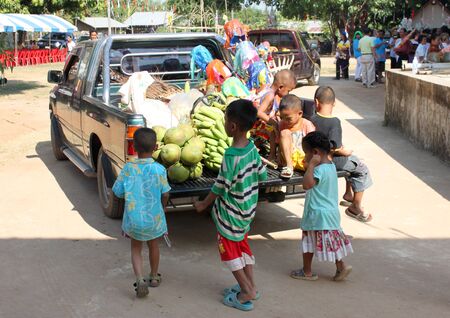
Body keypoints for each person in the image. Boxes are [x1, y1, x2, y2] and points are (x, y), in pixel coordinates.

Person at [194, 99, 267, 312]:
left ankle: (246, 292)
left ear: (232, 126)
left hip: (230, 214)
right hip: (247, 211)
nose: (224, 124)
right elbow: (262, 174)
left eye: (225, 120)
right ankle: (251, 285)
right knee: (242, 246)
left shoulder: (230, 156)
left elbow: (219, 186)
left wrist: (203, 204)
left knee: (230, 252)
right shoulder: (252, 148)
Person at [112, 128, 171, 298]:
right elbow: (166, 193)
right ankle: (153, 276)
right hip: (155, 219)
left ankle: (139, 279)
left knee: (136, 249)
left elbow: (117, 192)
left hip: (134, 219)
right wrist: (163, 207)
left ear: (134, 147)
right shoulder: (160, 169)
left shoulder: (128, 168)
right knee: (154, 246)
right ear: (156, 147)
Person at [290, 131, 353, 281]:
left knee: (308, 242)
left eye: (306, 153)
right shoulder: (330, 166)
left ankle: (307, 271)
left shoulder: (318, 170)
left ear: (316, 153)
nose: (305, 157)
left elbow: (306, 185)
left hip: (317, 214)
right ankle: (340, 266)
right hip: (329, 213)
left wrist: (310, 166)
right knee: (330, 240)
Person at [310, 86, 373, 222]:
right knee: (360, 167)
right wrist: (343, 151)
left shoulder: (312, 119)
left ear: (316, 102)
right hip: (330, 160)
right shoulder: (334, 122)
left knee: (352, 160)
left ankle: (348, 194)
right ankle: (355, 206)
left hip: (315, 157)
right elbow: (334, 146)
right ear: (334, 103)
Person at [251, 69, 296, 160]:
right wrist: (273, 122)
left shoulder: (271, 92)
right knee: (272, 131)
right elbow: (259, 112)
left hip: (261, 122)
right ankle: (272, 155)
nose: (288, 94)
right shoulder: (270, 95)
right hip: (255, 123)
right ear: (280, 87)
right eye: (288, 91)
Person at [278, 94, 316, 179]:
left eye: (288, 118)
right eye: (282, 117)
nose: (285, 121)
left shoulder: (307, 125)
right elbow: (280, 143)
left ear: (300, 114)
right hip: (288, 159)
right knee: (284, 133)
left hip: (303, 160)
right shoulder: (282, 124)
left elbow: (313, 146)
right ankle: (289, 166)